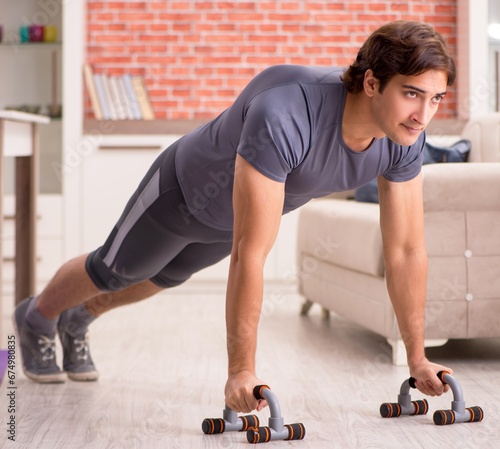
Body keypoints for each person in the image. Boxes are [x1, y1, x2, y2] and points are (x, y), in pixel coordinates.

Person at [15, 20, 456, 413]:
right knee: (117, 269)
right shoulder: (287, 112)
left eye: (436, 98)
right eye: (412, 94)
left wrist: (417, 358)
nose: (423, 115)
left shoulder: (405, 138)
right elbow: (252, 255)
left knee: (163, 278)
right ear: (373, 83)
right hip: (182, 193)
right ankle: (36, 317)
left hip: (228, 222)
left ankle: (79, 318)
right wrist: (241, 372)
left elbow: (405, 250)